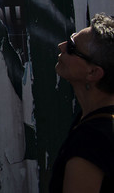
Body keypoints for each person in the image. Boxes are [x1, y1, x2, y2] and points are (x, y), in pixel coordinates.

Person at [50, 13, 114, 192]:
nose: (61, 46)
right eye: (70, 39)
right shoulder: (92, 121)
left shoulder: (92, 140)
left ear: (93, 73)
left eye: (71, 48)